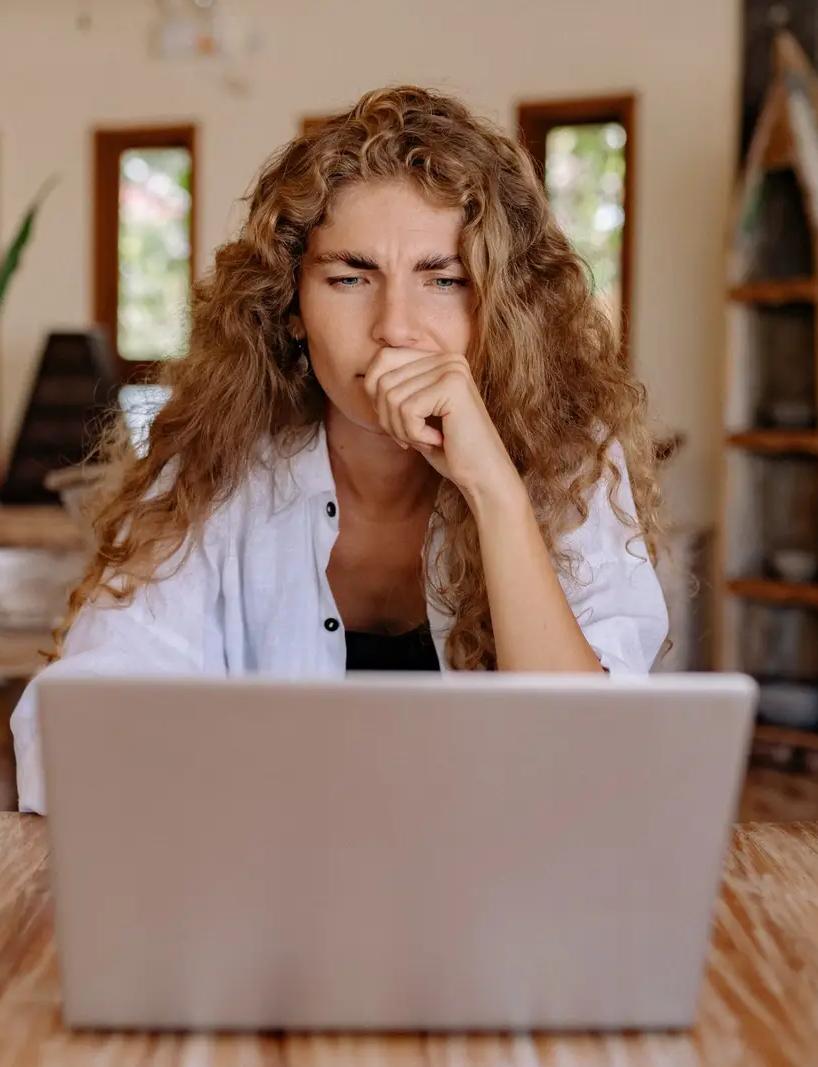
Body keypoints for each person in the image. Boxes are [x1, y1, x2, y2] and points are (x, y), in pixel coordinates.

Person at [11, 85, 669, 814]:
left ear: (501, 309)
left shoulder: (573, 461)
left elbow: (592, 773)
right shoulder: (211, 464)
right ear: (292, 308)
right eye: (350, 278)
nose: (396, 327)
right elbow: (69, 735)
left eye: (444, 280)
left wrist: (494, 492)